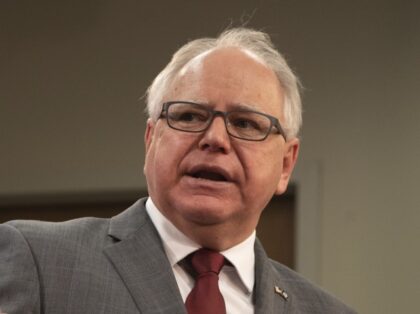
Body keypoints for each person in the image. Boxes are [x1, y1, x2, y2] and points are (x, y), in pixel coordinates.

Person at [0, 27, 356, 314]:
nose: (214, 138)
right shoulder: (40, 262)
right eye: (188, 116)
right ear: (151, 139)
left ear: (285, 165)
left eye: (246, 124)